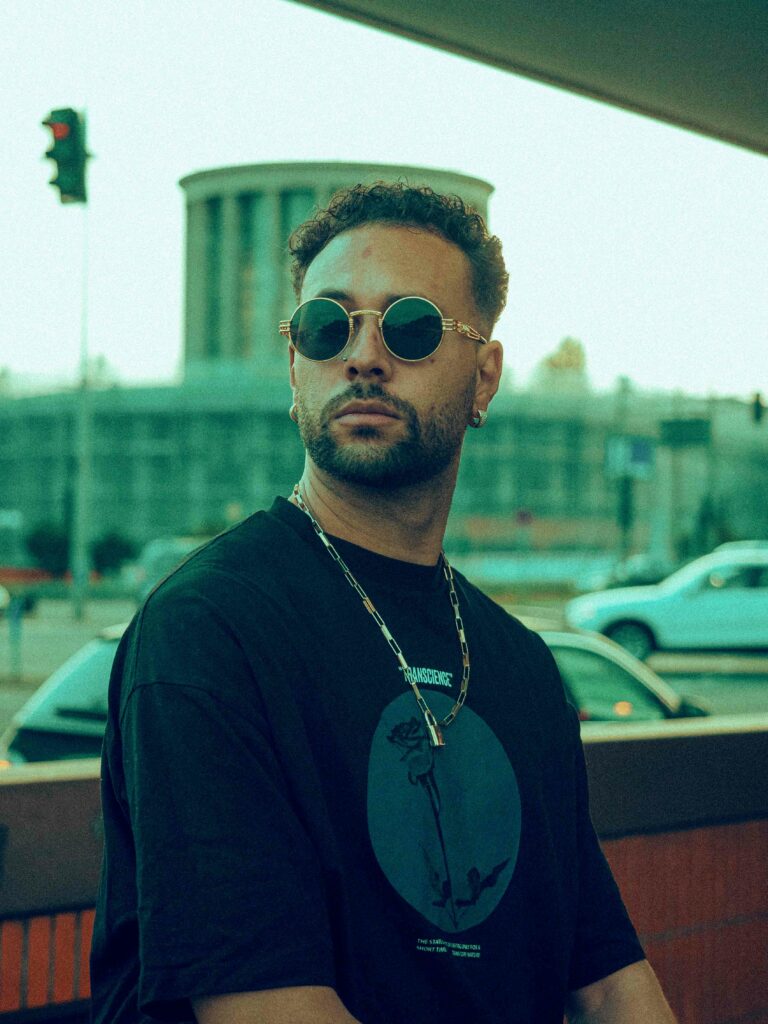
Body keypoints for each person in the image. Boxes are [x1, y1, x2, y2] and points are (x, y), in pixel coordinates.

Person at [90, 182, 677, 1024]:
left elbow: (612, 979)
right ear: (295, 367)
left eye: (410, 326)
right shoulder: (209, 631)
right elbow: (265, 1008)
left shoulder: (523, 667)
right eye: (328, 326)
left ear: (485, 376)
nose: (363, 355)